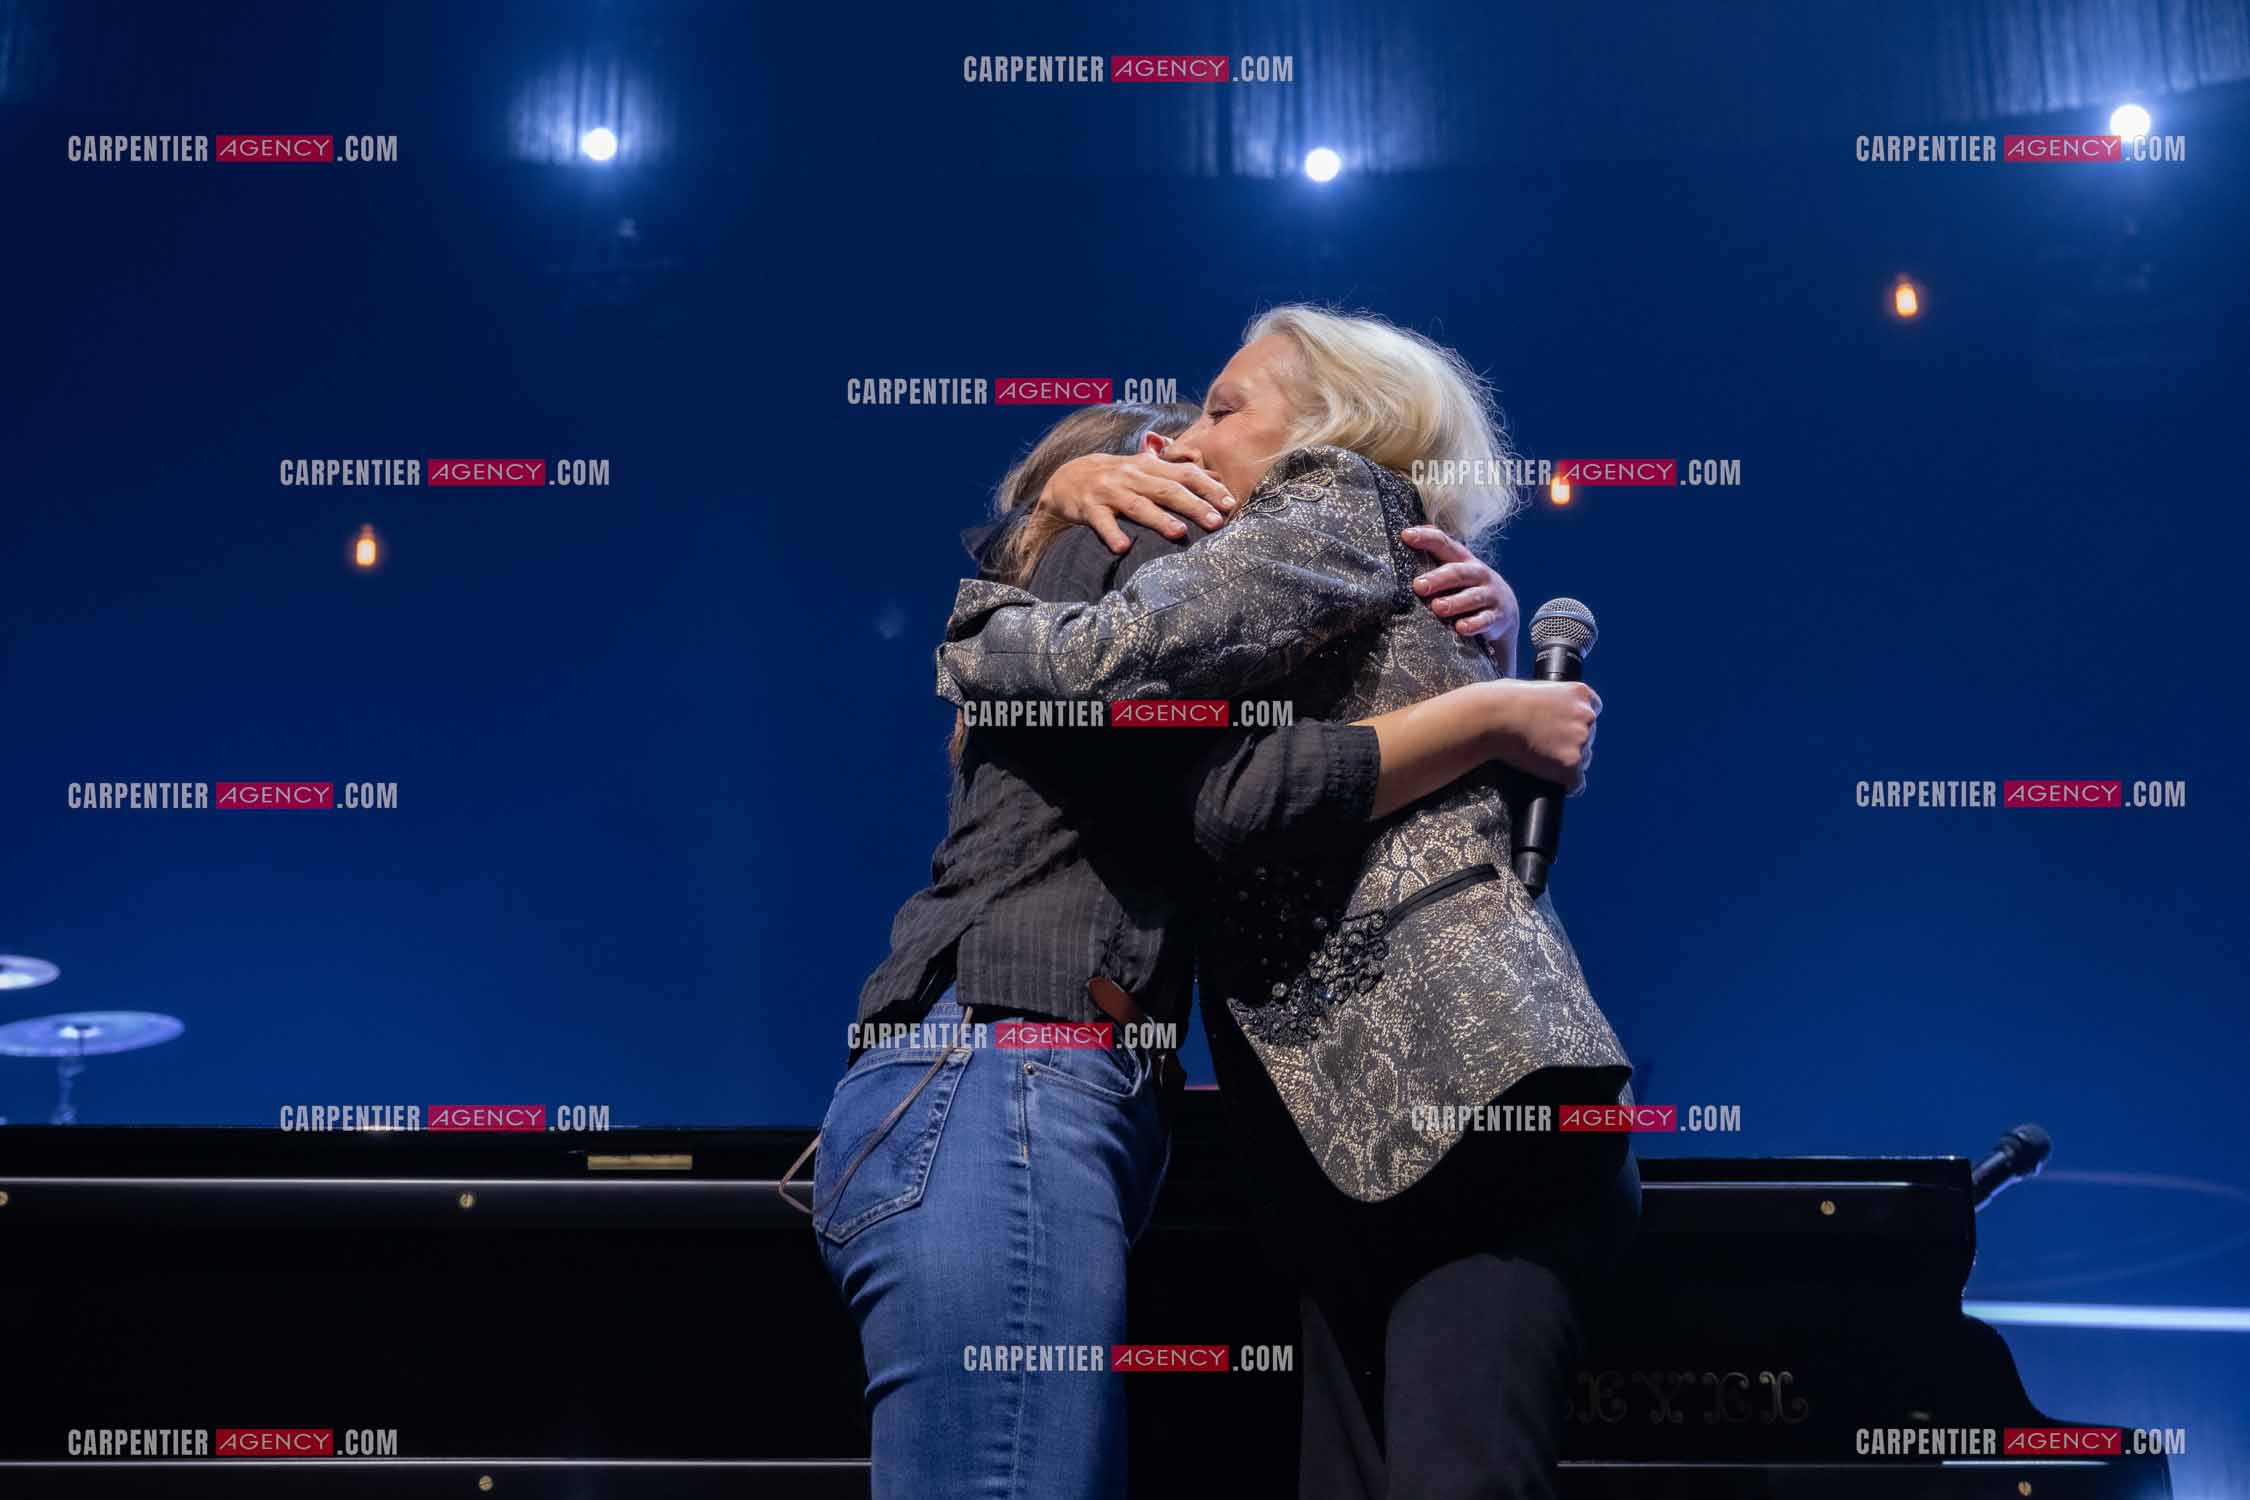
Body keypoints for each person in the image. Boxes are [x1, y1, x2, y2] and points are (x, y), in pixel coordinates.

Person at [936, 306, 1641, 1500]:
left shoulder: (1332, 489)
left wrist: (980, 624)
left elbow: (1179, 741)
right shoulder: (1366, 558)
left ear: (1335, 424)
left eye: (1221, 410)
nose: (1179, 444)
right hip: (1360, 1128)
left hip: (1461, 1098)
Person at [798, 398, 1555, 1500]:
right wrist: (1486, 711)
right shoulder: (1119, 543)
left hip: (982, 1089)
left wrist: (1451, 623)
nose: (1221, 461)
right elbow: (1241, 793)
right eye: (1189, 432)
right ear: (1142, 465)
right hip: (1005, 1080)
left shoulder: (1089, 576)